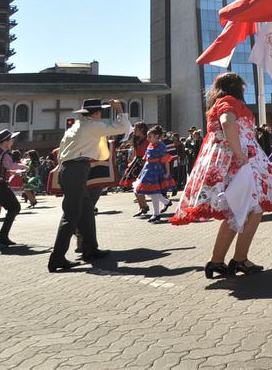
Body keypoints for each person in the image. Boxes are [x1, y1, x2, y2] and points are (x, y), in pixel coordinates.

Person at [171, 72, 272, 277]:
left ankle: (217, 260)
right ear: (235, 87)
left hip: (225, 160)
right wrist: (240, 154)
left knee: (238, 209)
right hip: (237, 161)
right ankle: (239, 259)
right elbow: (227, 121)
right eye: (241, 86)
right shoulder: (228, 101)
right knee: (254, 209)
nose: (243, 89)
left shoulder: (218, 102)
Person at [46, 99, 132, 272]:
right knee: (72, 214)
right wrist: (120, 110)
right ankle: (57, 257)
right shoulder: (92, 125)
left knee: (85, 210)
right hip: (77, 169)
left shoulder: (75, 127)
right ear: (97, 113)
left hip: (69, 169)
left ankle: (90, 249)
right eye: (100, 112)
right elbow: (123, 128)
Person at [133, 126, 175, 222]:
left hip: (156, 171)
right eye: (147, 136)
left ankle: (156, 214)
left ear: (156, 136)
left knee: (154, 193)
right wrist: (142, 172)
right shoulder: (150, 145)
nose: (148, 139)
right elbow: (147, 159)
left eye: (150, 136)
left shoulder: (161, 146)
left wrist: (167, 172)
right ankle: (166, 202)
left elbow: (165, 160)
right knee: (149, 192)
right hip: (148, 171)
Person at [119, 122, 150, 216]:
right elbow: (137, 153)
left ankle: (144, 206)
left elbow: (148, 153)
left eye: (136, 129)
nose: (134, 130)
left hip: (145, 163)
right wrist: (132, 163)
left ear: (142, 130)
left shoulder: (148, 140)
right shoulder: (137, 140)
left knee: (139, 187)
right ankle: (142, 207)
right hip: (137, 163)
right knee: (135, 186)